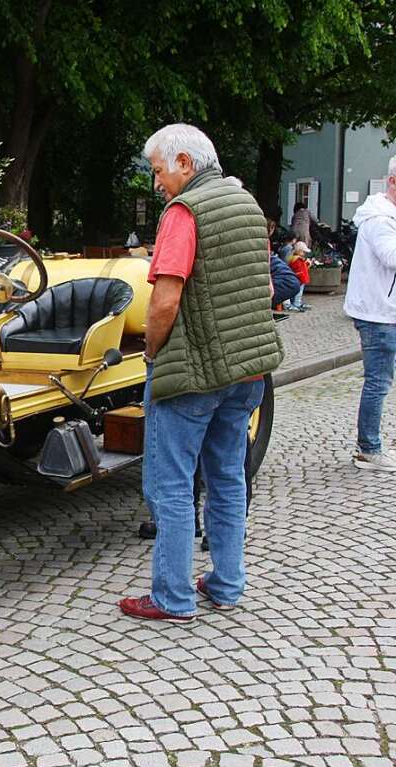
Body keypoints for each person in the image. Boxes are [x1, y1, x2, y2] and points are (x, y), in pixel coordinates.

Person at [119, 124, 283, 623]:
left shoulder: (184, 212)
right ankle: (227, 583)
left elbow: (165, 299)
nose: (157, 182)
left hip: (193, 373)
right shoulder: (247, 205)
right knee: (228, 477)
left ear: (185, 162)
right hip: (247, 369)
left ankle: (171, 597)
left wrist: (150, 351)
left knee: (169, 485)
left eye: (158, 170)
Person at [343, 155, 396, 472]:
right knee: (378, 382)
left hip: (386, 311)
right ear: (392, 182)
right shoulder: (379, 218)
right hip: (378, 314)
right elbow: (391, 256)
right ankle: (368, 449)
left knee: (382, 381)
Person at [284, 241, 312, 311]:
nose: (304, 254)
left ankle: (297, 303)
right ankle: (296, 303)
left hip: (300, 279)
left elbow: (303, 268)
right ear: (299, 251)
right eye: (303, 252)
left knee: (298, 293)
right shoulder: (297, 259)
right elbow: (298, 270)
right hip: (300, 279)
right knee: (298, 293)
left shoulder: (297, 259)